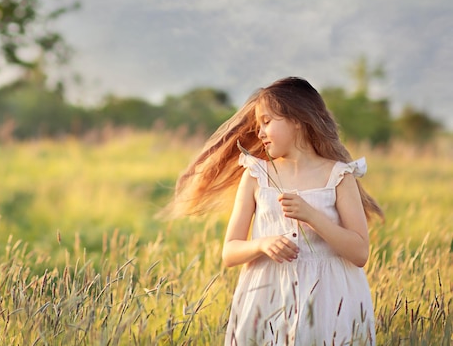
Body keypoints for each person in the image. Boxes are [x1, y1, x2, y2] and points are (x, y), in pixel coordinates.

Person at [164, 77, 383, 345]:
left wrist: (312, 216)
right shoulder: (257, 175)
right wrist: (263, 245)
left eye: (267, 122)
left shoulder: (339, 176)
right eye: (258, 125)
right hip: (269, 298)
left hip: (329, 299)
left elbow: (360, 253)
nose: (260, 133)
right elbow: (230, 252)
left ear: (297, 120)